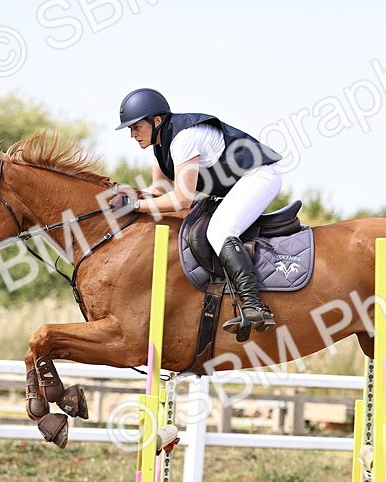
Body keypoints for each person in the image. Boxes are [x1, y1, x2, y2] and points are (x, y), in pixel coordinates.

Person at [116, 88, 283, 335]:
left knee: (219, 231)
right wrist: (128, 197)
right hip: (239, 182)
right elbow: (160, 191)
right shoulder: (160, 145)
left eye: (136, 127)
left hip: (260, 175)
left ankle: (253, 305)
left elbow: (183, 199)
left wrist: (137, 206)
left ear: (157, 121)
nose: (132, 134)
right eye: (130, 129)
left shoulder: (183, 138)